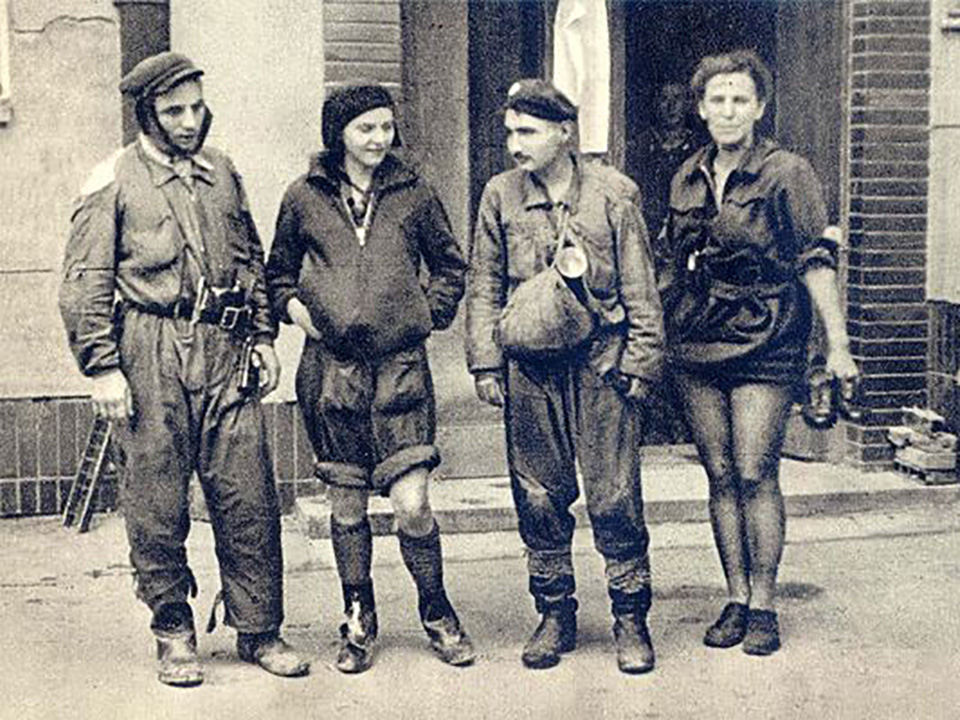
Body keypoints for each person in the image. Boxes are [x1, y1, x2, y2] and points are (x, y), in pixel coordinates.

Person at [58, 51, 309, 686]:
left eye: (196, 108)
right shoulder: (111, 178)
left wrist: (261, 335)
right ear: (147, 114)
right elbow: (84, 280)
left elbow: (249, 255)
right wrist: (102, 368)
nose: (191, 121)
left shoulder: (221, 171)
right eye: (174, 111)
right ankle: (173, 629)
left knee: (248, 492)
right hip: (149, 347)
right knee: (155, 497)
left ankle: (259, 629)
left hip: (225, 348)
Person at [266, 85, 474, 674]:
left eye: (386, 127)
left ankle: (436, 610)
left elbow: (450, 266)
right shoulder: (304, 198)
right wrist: (304, 317)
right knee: (348, 504)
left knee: (412, 503)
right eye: (366, 129)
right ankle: (358, 616)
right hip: (331, 375)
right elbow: (277, 277)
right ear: (339, 135)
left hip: (401, 372)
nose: (379, 139)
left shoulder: (415, 193)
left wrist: (424, 316)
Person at [657, 50, 859, 656]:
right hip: (697, 335)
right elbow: (670, 263)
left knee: (753, 470)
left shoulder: (786, 172)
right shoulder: (686, 176)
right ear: (701, 108)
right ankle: (736, 596)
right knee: (718, 474)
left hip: (768, 335)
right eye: (716, 99)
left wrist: (839, 346)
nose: (727, 110)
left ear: (759, 107)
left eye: (740, 99)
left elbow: (814, 261)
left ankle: (766, 604)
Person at [465, 79, 665, 674]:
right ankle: (555, 614)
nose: (513, 144)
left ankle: (631, 617)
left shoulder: (613, 194)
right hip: (531, 371)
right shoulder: (500, 195)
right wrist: (485, 361)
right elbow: (485, 283)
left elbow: (640, 285)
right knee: (538, 496)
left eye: (526, 132)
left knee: (614, 495)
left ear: (564, 133)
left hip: (601, 364)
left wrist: (641, 362)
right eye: (509, 131)